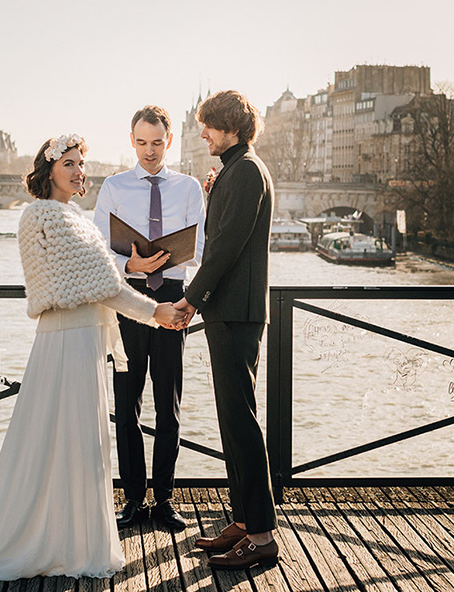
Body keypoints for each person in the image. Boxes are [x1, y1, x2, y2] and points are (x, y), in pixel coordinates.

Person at [0, 135, 185, 587]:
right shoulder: (43, 215)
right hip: (69, 341)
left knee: (70, 439)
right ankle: (67, 539)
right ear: (49, 170)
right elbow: (101, 286)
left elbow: (101, 278)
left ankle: (65, 534)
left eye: (80, 164)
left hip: (83, 339)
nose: (78, 172)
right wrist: (156, 312)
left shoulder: (74, 219)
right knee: (70, 438)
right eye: (69, 164)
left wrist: (129, 269)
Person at [173, 90, 280, 570]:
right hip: (232, 311)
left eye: (209, 126)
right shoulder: (239, 170)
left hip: (235, 312)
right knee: (232, 422)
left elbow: (224, 249)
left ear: (231, 127)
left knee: (241, 422)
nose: (203, 134)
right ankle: (243, 519)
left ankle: (261, 534)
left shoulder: (247, 171)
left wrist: (190, 300)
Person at [94, 105, 206, 532]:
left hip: (175, 299)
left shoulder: (188, 187)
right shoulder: (114, 186)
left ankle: (164, 500)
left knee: (168, 405)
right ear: (131, 140)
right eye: (141, 143)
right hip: (128, 298)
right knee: (127, 403)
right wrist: (131, 267)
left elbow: (200, 249)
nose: (149, 151)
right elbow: (98, 249)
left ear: (170, 141)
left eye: (157, 143)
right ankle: (133, 499)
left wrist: (191, 301)